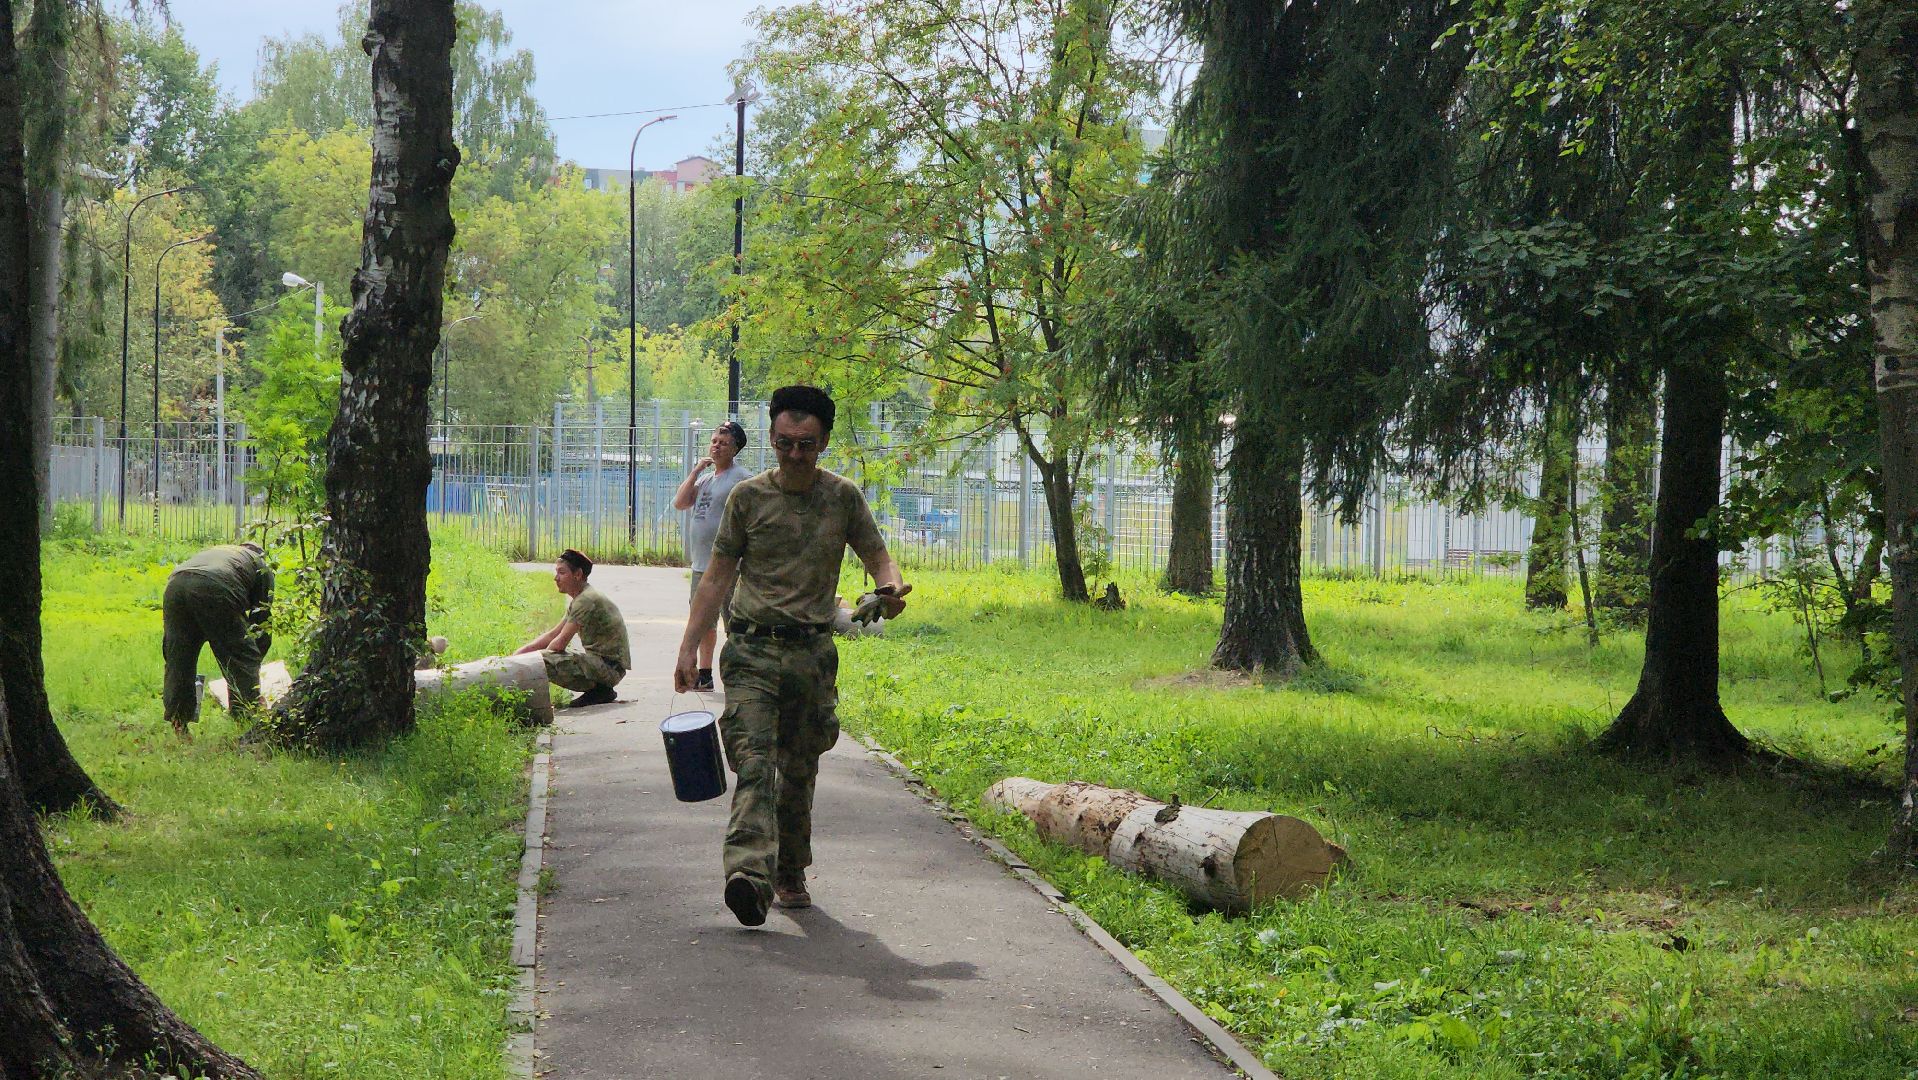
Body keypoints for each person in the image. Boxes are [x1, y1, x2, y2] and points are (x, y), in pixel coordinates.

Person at [675, 385, 909, 926]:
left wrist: (890, 589)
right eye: (784, 443)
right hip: (753, 649)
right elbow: (715, 579)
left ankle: (788, 870)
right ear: (773, 440)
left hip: (812, 654)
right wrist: (690, 646)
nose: (795, 455)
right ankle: (748, 876)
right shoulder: (748, 499)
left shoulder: (843, 497)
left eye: (805, 445)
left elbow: (878, 555)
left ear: (824, 442)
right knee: (754, 764)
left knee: (799, 769)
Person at [162, 541, 273, 737]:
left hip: (175, 585)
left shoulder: (220, 551)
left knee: (180, 658)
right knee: (241, 655)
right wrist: (253, 662)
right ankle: (246, 718)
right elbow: (261, 623)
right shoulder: (260, 565)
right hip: (215, 586)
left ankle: (179, 722)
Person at [672, 420, 751, 692]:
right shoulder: (706, 479)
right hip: (700, 565)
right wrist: (695, 471)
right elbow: (681, 503)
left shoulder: (741, 478)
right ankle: (704, 675)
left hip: (729, 567)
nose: (716, 446)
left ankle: (740, 679)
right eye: (714, 441)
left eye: (724, 443)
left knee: (734, 623)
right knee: (702, 622)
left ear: (735, 448)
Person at [516, 549, 630, 710]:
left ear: (577, 575)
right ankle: (599, 691)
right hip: (605, 666)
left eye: (562, 573)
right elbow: (552, 635)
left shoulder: (586, 600)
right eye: (556, 572)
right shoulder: (581, 598)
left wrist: (533, 663)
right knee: (539, 659)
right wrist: (516, 656)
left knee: (543, 661)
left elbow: (558, 644)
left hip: (609, 669)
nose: (556, 578)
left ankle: (598, 690)